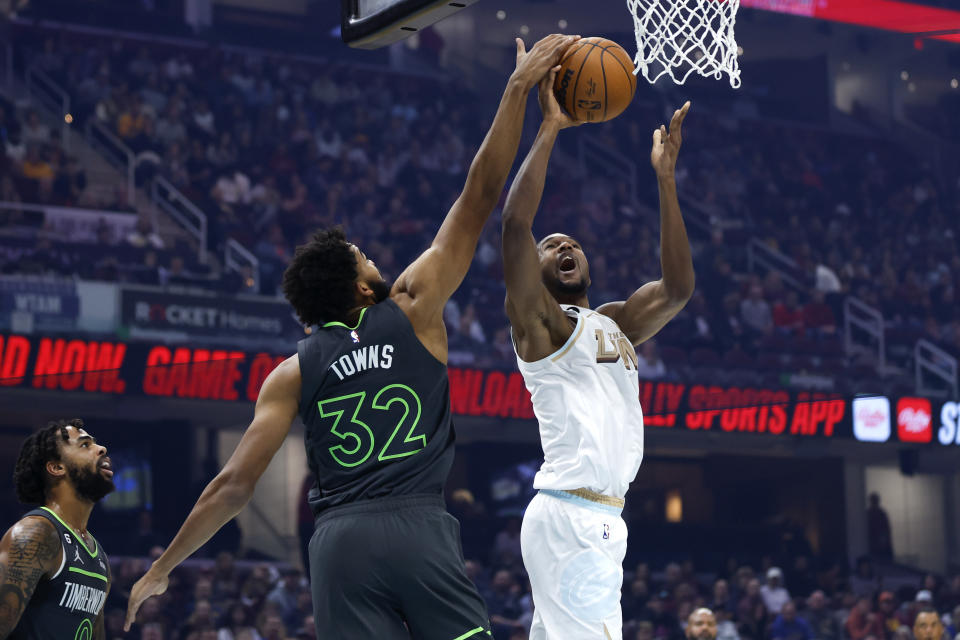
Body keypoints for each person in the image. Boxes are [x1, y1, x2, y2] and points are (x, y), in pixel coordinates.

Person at [123, 33, 581, 640]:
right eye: (364, 257)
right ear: (363, 290)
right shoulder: (413, 305)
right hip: (419, 525)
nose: (374, 258)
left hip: (339, 544)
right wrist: (517, 89)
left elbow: (233, 485)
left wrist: (162, 568)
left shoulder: (290, 372)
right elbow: (479, 196)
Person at [500, 55, 694, 638]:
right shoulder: (541, 325)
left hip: (601, 517)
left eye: (573, 242)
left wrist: (664, 180)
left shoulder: (614, 322)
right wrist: (551, 127)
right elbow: (514, 226)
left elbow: (678, 289)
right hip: (572, 514)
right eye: (551, 243)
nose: (564, 244)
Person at [1, 418, 115, 638]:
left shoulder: (98, 554)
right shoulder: (36, 533)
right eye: (85, 445)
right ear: (56, 467)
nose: (102, 448)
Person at [866, 493, 893, 560]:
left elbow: (886, 530)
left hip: (879, 544)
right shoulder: (878, 513)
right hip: (874, 543)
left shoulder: (880, 513)